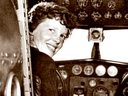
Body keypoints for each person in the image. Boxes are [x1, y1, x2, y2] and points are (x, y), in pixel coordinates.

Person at [28, 1, 76, 96]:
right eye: (51, 30)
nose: (58, 40)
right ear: (31, 29)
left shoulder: (27, 58)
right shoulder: (45, 63)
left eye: (62, 35)